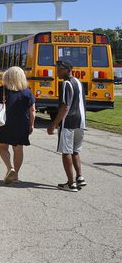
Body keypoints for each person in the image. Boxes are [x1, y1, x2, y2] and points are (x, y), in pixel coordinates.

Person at [0, 66, 36, 184]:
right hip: (22, 124)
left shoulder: (4, 90)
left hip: (5, 123)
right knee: (18, 148)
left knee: (2, 146)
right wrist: (31, 124)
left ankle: (10, 167)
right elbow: (32, 110)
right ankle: (15, 175)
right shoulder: (27, 91)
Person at [47, 59, 87, 192]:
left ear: (68, 70)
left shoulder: (66, 84)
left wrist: (54, 124)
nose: (57, 71)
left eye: (60, 69)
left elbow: (65, 106)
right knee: (75, 151)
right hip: (81, 121)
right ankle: (79, 177)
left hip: (68, 121)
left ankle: (70, 184)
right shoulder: (78, 82)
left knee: (66, 152)